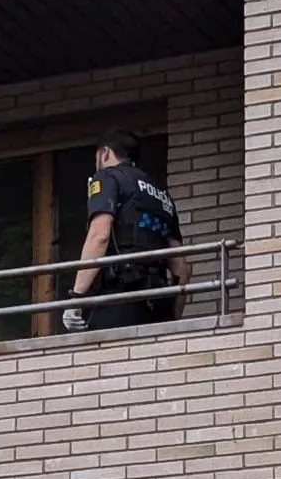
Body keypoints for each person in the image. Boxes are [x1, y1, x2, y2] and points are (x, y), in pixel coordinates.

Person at [62, 130, 190, 332]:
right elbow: (181, 268)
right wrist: (171, 318)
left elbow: (99, 235)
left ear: (104, 153)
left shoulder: (106, 177)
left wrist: (76, 298)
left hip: (118, 299)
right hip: (157, 305)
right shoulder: (161, 194)